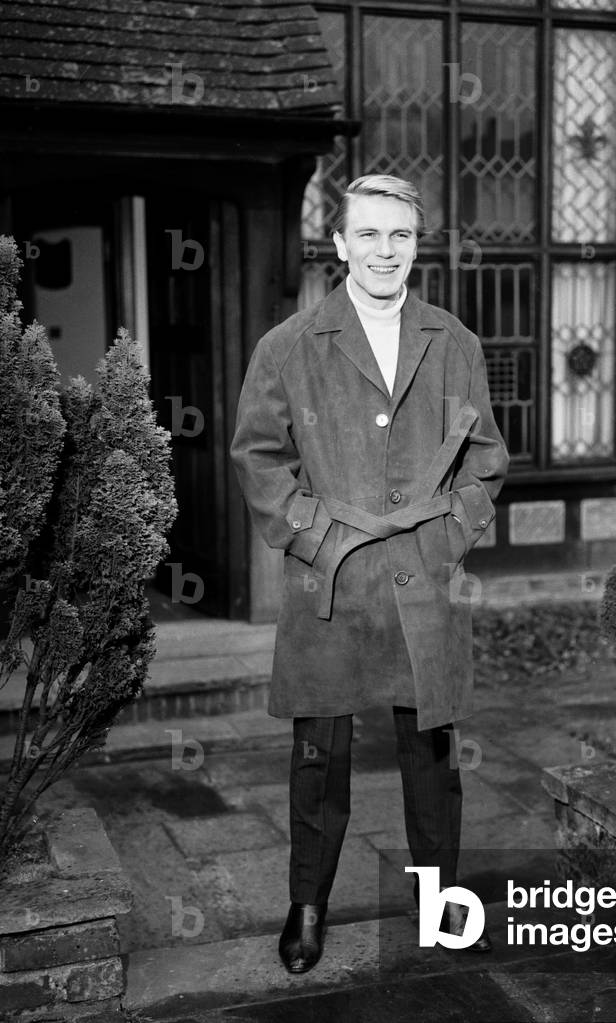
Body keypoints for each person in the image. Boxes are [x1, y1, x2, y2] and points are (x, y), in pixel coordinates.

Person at [230, 173, 509, 974]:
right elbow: (258, 458)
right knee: (319, 754)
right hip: (331, 583)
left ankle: (439, 906)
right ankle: (308, 905)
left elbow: (484, 460)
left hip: (423, 580)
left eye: (400, 236)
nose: (384, 251)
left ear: (415, 244)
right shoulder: (287, 346)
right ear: (339, 243)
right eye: (369, 235)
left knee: (432, 755)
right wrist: (315, 537)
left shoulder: (452, 340)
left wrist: (449, 533)